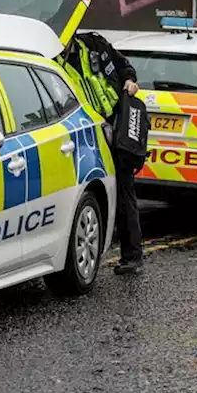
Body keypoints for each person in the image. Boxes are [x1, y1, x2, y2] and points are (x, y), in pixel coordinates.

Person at [59, 31, 144, 275]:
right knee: (88, 194)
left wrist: (129, 80)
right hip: (87, 133)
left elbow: (123, 65)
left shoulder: (94, 44)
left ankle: (132, 257)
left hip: (117, 125)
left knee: (125, 190)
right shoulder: (51, 61)